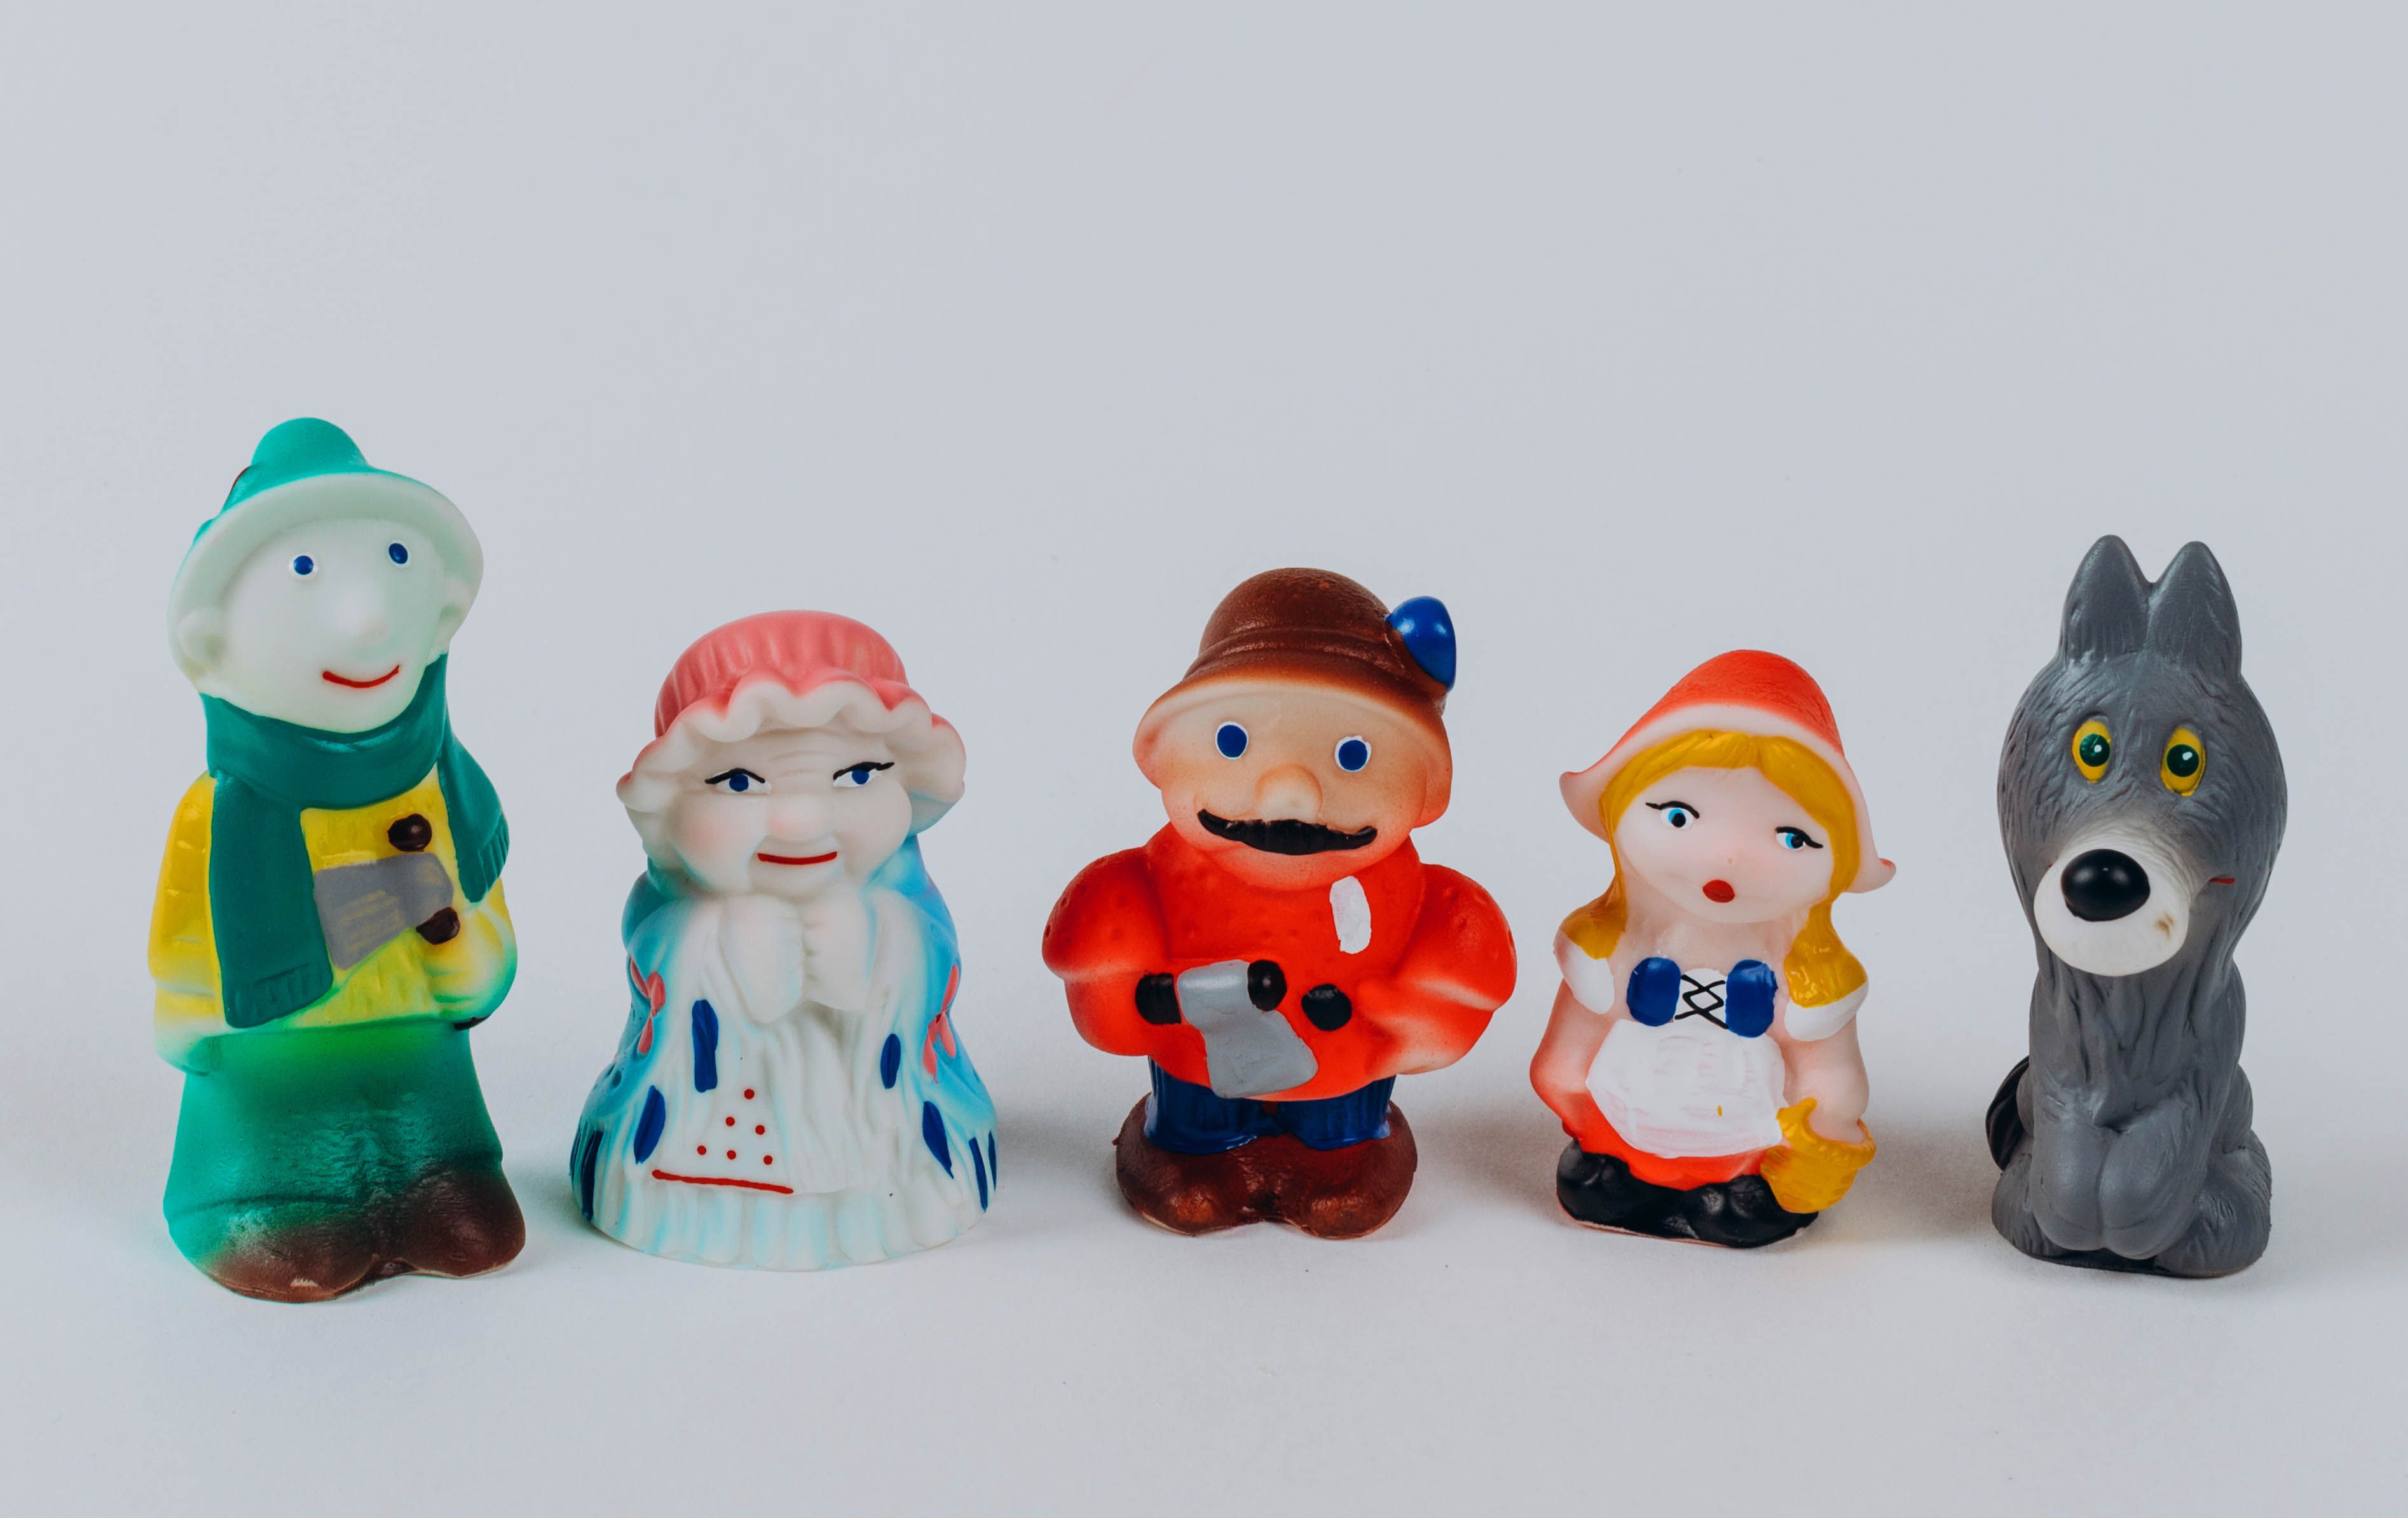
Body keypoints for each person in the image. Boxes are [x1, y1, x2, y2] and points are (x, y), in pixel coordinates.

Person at [151, 417, 521, 1300]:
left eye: (394, 560)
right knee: (290, 1211)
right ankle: (266, 1204)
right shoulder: (219, 817)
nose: (366, 620)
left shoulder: (445, 789)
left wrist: (464, 956)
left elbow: (489, 935)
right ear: (212, 639)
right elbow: (181, 974)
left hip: (422, 1067)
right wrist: (346, 927)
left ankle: (437, 1180)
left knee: (458, 1198)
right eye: (306, 571)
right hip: (274, 1083)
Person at [1044, 568, 1515, 1238]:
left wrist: (1393, 1015)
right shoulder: (1156, 875)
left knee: (1339, 1126)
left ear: (1423, 789)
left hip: (1340, 1065)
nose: (1289, 795)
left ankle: (1343, 1154)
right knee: (1196, 1123)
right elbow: (1104, 988)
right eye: (1232, 743)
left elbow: (1455, 994)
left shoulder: (1411, 892)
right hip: (1198, 1059)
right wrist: (1140, 998)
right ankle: (1194, 1149)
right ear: (1162, 756)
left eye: (1353, 756)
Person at [572, 612, 995, 1269]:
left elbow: (929, 976)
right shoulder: (679, 914)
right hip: (709, 1132)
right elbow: (660, 982)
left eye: (856, 775)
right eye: (740, 783)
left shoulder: (899, 904)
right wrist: (717, 951)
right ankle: (694, 1209)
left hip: (880, 1136)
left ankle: (883, 1198)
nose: (801, 821)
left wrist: (877, 952)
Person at [1531, 650, 1892, 1248]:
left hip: (1743, 1142)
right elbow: (1567, 1049)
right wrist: (1569, 1089)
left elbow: (1831, 1074)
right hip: (1621, 1122)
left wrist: (1823, 1120)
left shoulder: (1802, 984)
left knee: (1739, 1210)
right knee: (1603, 1185)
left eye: (1791, 838)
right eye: (1679, 816)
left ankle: (1734, 1193)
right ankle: (1625, 1175)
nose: (1727, 858)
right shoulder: (1610, 954)